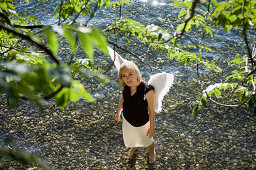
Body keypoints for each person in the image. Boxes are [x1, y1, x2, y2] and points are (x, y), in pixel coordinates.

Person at [115, 61, 156, 164]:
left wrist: (152, 127)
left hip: (142, 121)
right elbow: (122, 99)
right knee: (132, 136)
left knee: (147, 140)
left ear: (136, 73)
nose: (128, 79)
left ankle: (152, 151)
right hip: (128, 119)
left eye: (130, 74)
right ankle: (134, 146)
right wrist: (118, 112)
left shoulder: (147, 89)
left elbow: (151, 110)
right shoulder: (125, 87)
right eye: (124, 76)